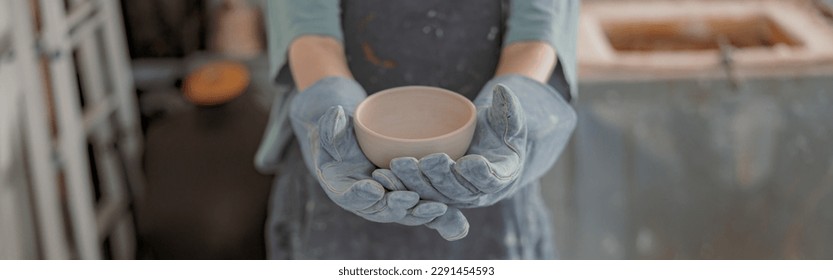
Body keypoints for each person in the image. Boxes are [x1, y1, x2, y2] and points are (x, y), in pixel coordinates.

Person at [255, 0, 579, 259]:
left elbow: (534, 38)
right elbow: (315, 38)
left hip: (484, 187)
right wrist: (333, 106)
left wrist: (507, 113)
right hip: (344, 190)